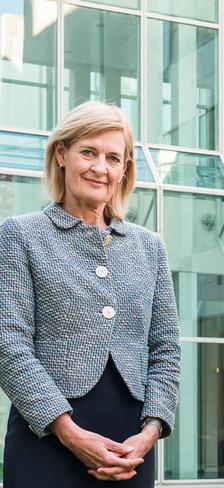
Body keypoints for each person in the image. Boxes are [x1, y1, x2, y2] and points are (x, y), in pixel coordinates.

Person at [0, 101, 181, 486]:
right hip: (46, 441)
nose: (101, 167)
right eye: (89, 152)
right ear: (62, 154)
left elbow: (166, 349)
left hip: (130, 450)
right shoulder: (20, 235)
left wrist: (150, 432)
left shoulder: (150, 247)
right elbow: (8, 343)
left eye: (113, 158)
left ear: (124, 170)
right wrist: (69, 432)